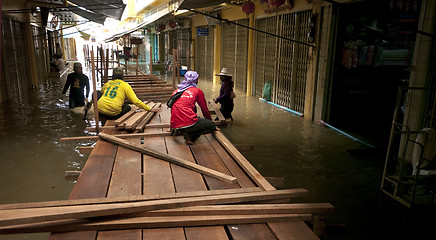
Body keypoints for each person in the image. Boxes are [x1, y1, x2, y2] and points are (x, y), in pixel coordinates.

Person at [170, 71, 220, 145]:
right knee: (211, 126)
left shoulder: (176, 91)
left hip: (175, 124)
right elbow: (204, 109)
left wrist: (171, 126)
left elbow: (172, 109)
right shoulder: (197, 91)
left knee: (197, 118)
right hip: (189, 123)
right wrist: (211, 123)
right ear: (196, 81)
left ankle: (184, 131)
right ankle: (189, 136)